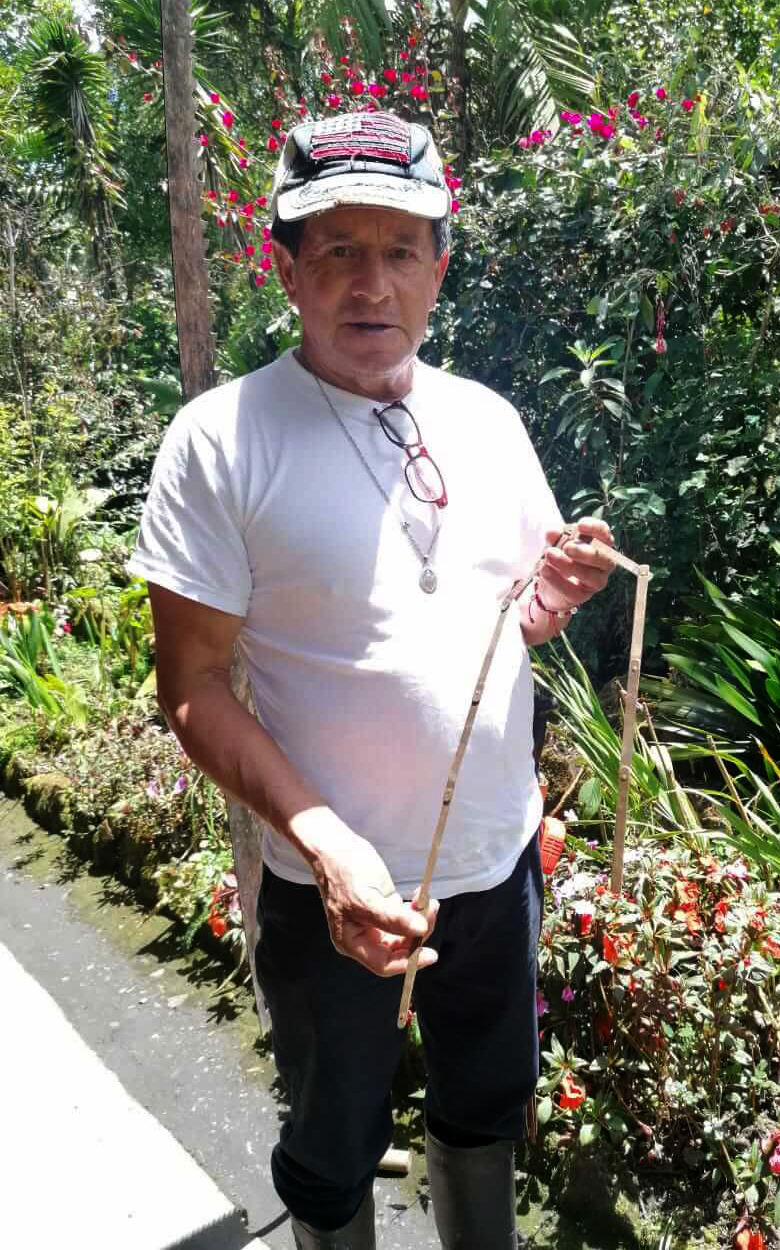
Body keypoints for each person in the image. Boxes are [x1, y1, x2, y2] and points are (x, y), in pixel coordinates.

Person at [129, 110, 614, 1250]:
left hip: (496, 862)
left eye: (400, 249)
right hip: (325, 889)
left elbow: (508, 620)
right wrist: (330, 847)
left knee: (486, 1105)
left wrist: (555, 595)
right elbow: (191, 683)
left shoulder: (488, 420)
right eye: (337, 248)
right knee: (333, 1144)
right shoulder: (222, 440)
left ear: (438, 268)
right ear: (287, 267)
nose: (371, 282)